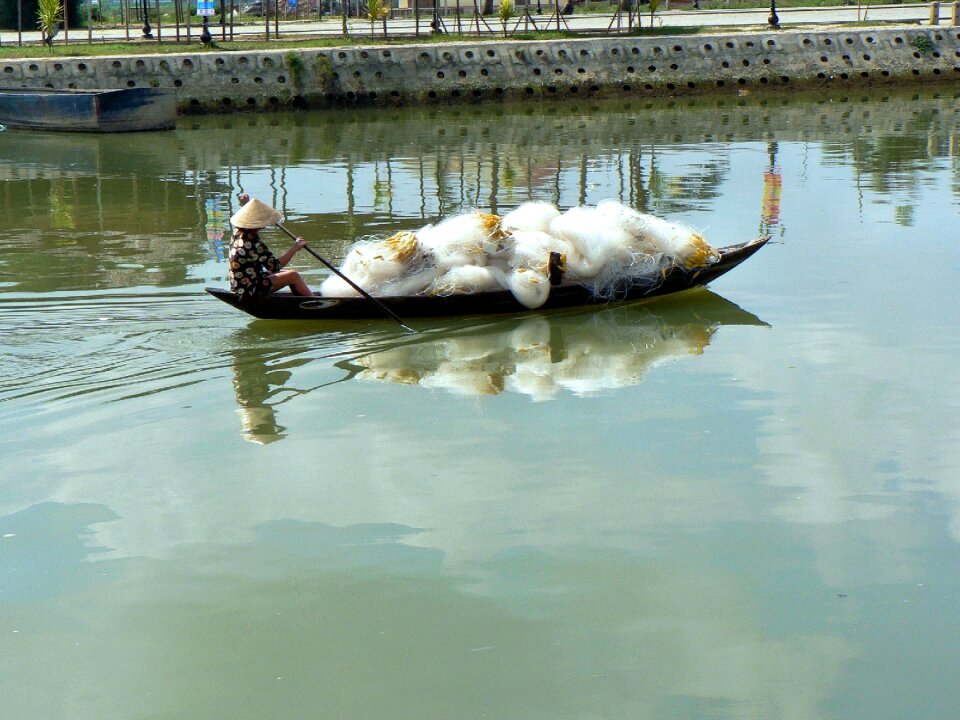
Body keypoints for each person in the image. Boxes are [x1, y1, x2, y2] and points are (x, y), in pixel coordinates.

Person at [228, 196, 313, 301]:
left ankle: (304, 299)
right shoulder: (254, 244)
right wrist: (295, 248)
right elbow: (276, 266)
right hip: (249, 290)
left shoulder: (237, 232)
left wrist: (245, 205)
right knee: (293, 275)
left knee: (285, 273)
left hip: (239, 285)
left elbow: (246, 220)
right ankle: (315, 303)